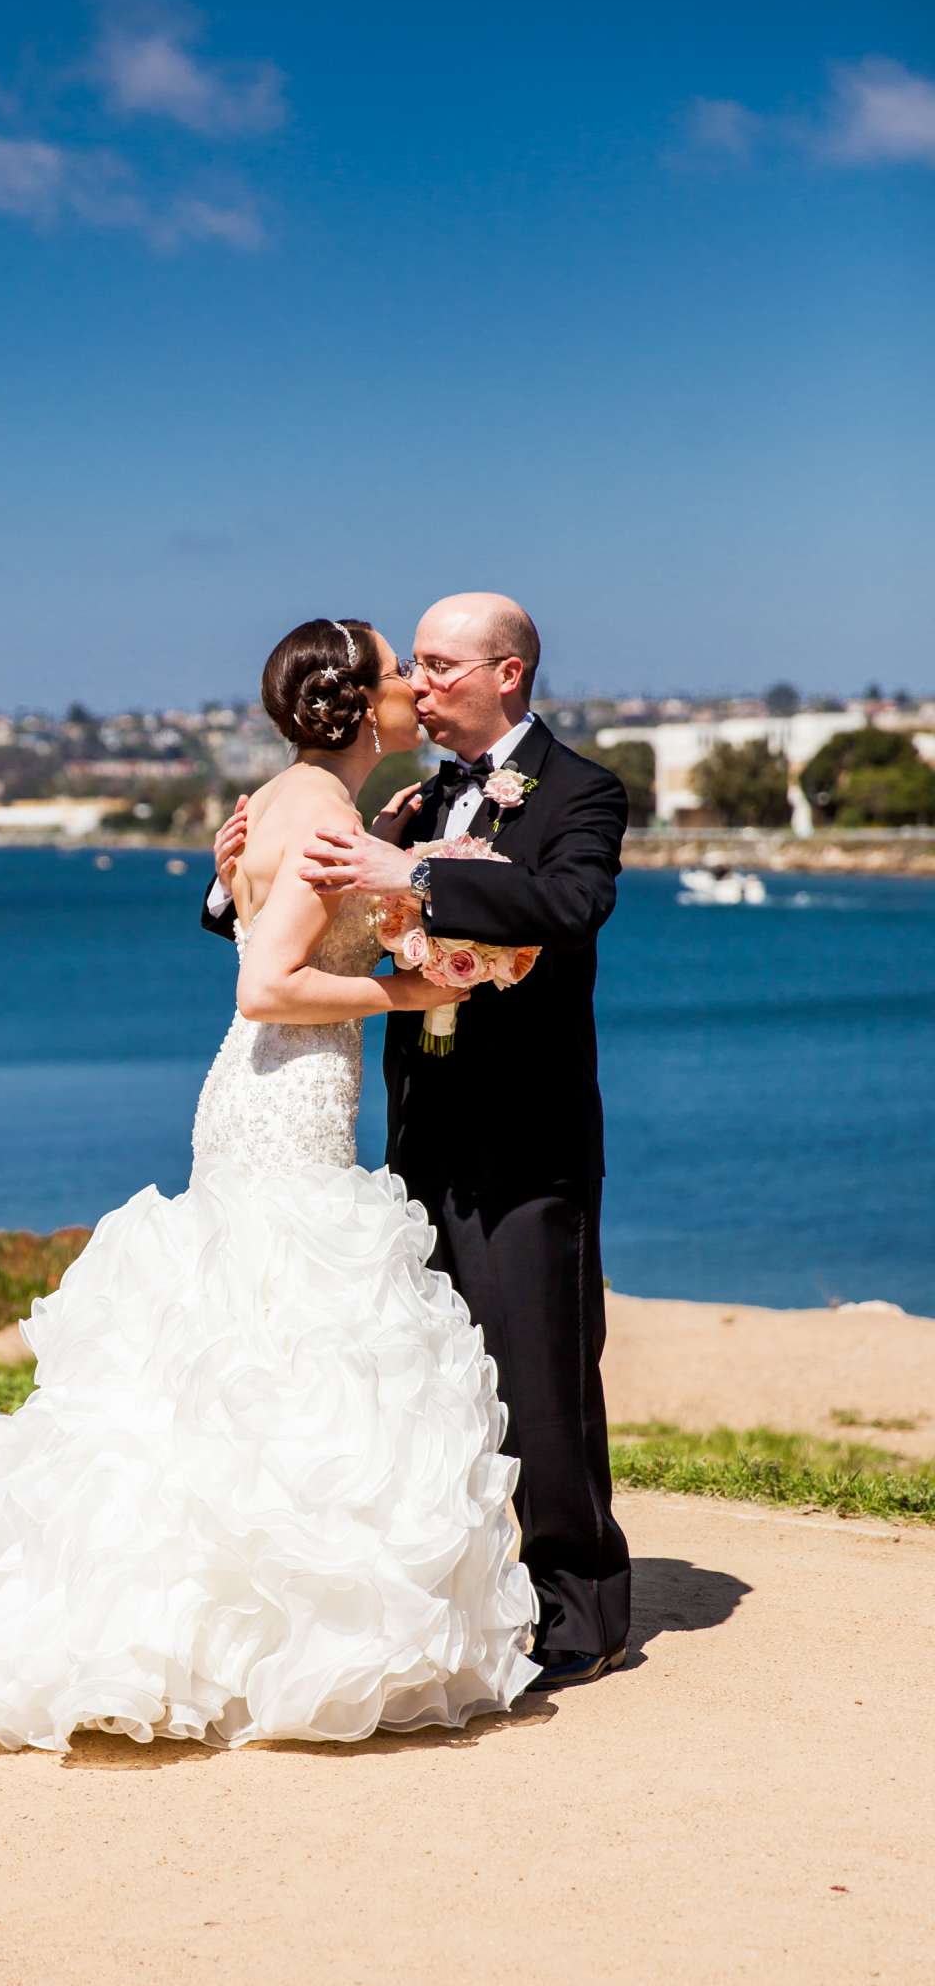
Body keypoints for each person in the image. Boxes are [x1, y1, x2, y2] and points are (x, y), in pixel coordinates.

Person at [0, 616, 538, 1751]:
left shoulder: (298, 803)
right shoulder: (319, 813)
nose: (412, 687)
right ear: (359, 704)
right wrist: (406, 994)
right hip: (279, 1091)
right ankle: (271, 1648)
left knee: (258, 1347)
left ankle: (246, 1639)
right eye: (398, 672)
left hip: (271, 1092)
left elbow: (265, 918)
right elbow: (265, 982)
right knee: (293, 1335)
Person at [206, 593, 631, 1688]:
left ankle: (580, 1607)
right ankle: (477, 1586)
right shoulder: (414, 794)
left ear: (509, 674)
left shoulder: (581, 790)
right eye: (417, 667)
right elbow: (307, 919)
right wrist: (231, 886)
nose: (422, 685)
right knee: (435, 1379)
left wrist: (421, 880)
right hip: (408, 1127)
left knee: (541, 1368)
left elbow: (569, 903)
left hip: (524, 1128)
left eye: (443, 666)